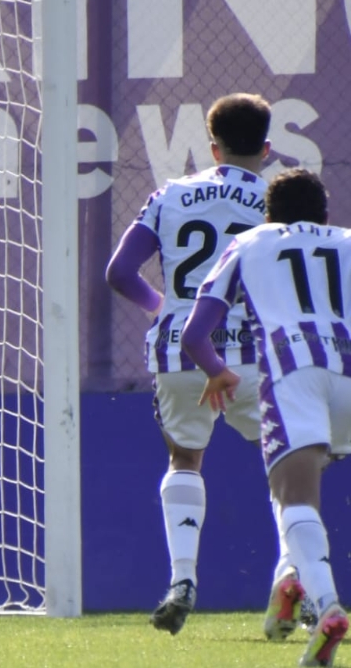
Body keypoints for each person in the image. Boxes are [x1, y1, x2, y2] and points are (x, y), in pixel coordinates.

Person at [103, 93, 306, 637]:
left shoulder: (170, 195)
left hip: (180, 349)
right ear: (267, 148)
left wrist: (163, 309)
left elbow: (119, 272)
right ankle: (294, 577)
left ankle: (182, 581)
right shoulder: (274, 200)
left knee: (185, 459)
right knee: (291, 467)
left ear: (212, 147)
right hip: (253, 355)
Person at [184, 168, 351, 667]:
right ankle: (288, 579)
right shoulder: (347, 241)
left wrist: (216, 371)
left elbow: (195, 333)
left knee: (294, 496)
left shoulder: (250, 243)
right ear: (325, 213)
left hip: (293, 371)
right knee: (300, 489)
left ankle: (327, 606)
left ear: (268, 214)